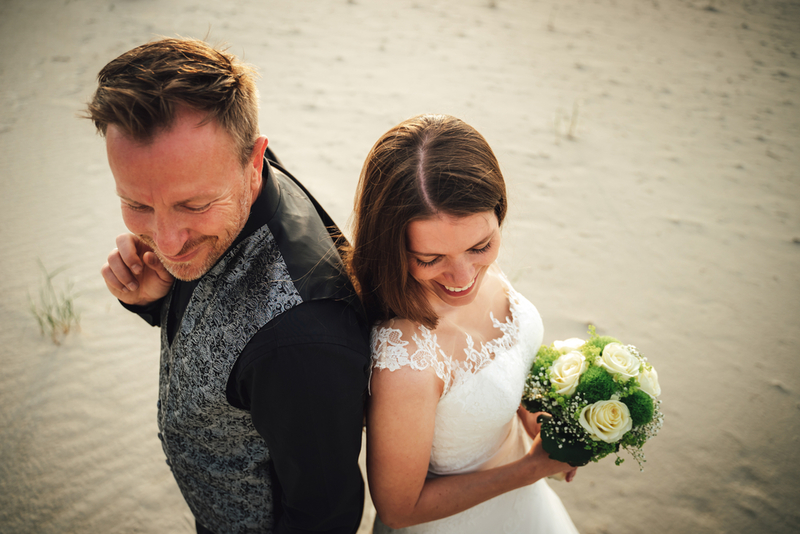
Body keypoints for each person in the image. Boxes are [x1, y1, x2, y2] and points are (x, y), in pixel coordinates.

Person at [87, 38, 370, 534]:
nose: (168, 243)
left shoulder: (301, 342)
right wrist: (159, 300)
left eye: (194, 206)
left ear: (254, 159)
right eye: (137, 205)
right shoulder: (231, 177)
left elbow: (323, 517)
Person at [346, 114, 580, 533]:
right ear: (392, 247)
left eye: (481, 246)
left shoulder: (469, 262)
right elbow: (400, 509)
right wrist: (531, 467)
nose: (463, 277)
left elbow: (502, 364)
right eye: (430, 259)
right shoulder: (407, 363)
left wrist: (531, 412)